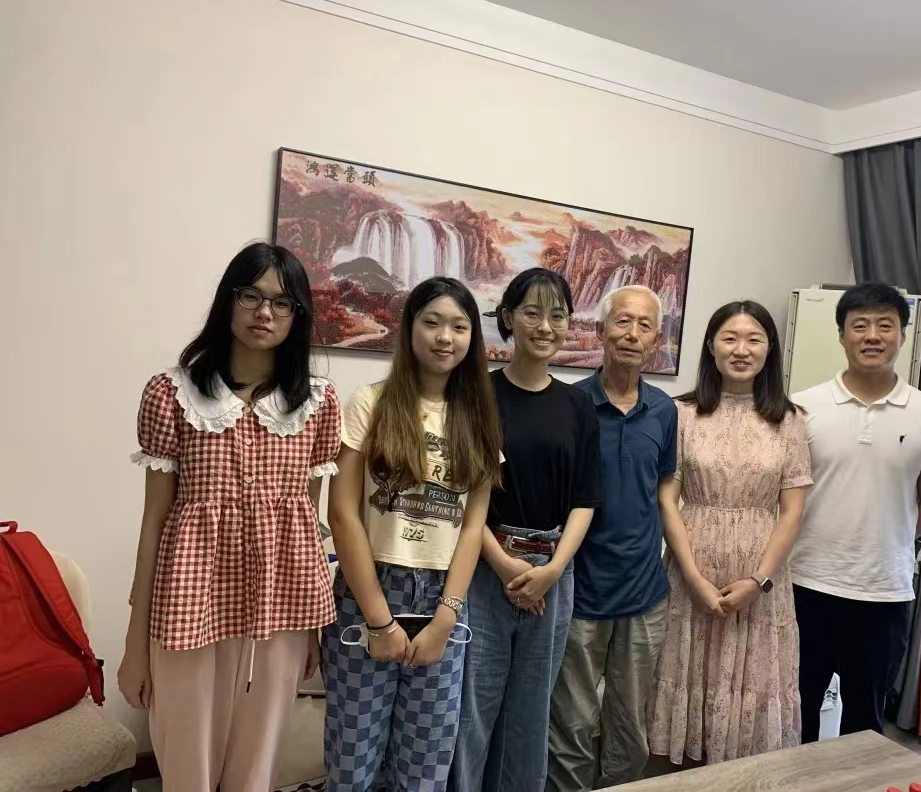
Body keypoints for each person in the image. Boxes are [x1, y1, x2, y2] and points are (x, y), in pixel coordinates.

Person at [119, 242, 340, 791]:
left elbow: (309, 522)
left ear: (298, 316)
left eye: (283, 303)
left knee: (257, 769)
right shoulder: (172, 394)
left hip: (282, 609)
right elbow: (153, 523)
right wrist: (134, 644)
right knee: (186, 767)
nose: (265, 313)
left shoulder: (318, 404)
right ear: (228, 299)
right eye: (252, 296)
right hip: (188, 604)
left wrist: (313, 632)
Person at [321, 277, 502, 792]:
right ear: (409, 328)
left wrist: (446, 618)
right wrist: (379, 621)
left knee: (425, 763)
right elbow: (343, 514)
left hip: (443, 596)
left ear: (472, 338)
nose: (445, 337)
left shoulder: (478, 417)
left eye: (459, 327)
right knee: (353, 759)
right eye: (432, 322)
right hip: (369, 590)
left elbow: (472, 526)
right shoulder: (370, 402)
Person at [451, 268, 602, 792]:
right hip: (484, 566)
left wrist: (553, 570)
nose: (545, 326)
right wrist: (503, 564)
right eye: (532, 313)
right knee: (473, 708)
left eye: (557, 315)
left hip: (553, 574)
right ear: (508, 319)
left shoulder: (578, 404)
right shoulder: (477, 395)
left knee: (532, 710)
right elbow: (462, 494)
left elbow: (585, 499)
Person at [790, 282, 921, 741]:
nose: (872, 336)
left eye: (885, 326)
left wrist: (886, 537)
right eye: (859, 325)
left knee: (865, 721)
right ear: (841, 335)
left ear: (903, 335)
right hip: (805, 584)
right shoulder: (802, 407)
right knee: (794, 713)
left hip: (884, 592)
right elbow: (786, 497)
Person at [649, 300, 812, 764]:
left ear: (769, 348)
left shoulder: (791, 420)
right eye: (730, 338)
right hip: (690, 568)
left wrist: (759, 581)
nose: (742, 350)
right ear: (711, 346)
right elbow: (667, 499)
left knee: (752, 682)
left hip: (761, 576)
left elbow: (792, 512)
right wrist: (694, 578)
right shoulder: (681, 413)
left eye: (754, 339)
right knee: (687, 671)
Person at [546, 285, 678, 791]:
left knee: (630, 724)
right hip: (580, 590)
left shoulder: (664, 410)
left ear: (657, 340)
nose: (632, 334)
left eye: (644, 325)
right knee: (572, 723)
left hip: (644, 594)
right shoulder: (569, 404)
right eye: (622, 321)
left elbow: (663, 492)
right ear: (601, 331)